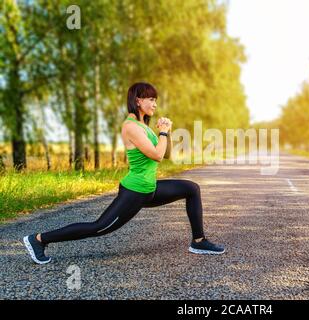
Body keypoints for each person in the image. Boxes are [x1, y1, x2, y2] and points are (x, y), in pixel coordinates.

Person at [23, 82, 225, 264]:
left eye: (156, 100)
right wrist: (162, 132)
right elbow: (156, 155)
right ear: (138, 100)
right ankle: (39, 239)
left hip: (150, 189)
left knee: (191, 188)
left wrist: (167, 132)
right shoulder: (131, 127)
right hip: (135, 190)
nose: (155, 104)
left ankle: (198, 241)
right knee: (99, 227)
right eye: (151, 99)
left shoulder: (144, 127)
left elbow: (166, 154)